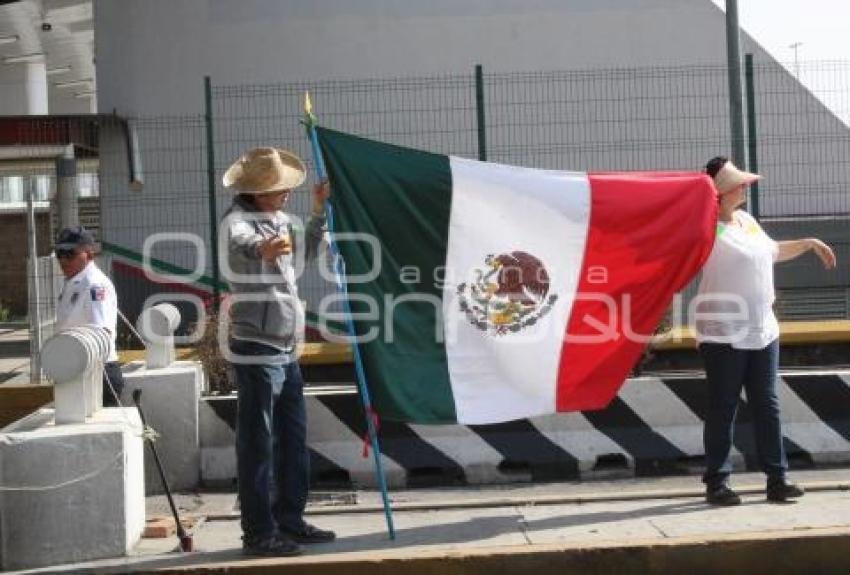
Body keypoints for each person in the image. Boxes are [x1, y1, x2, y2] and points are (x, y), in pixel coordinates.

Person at [696, 157, 836, 505]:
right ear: (721, 191)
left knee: (767, 405)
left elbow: (772, 252)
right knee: (723, 407)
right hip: (723, 332)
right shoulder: (705, 227)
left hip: (763, 331)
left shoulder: (746, 221)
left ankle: (777, 478)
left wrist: (808, 243)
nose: (746, 187)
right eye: (739, 184)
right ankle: (717, 482)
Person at [221, 147, 333, 557]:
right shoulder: (236, 223)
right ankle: (258, 531)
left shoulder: (281, 219)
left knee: (292, 436)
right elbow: (247, 245)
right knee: (258, 441)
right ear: (255, 191)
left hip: (286, 346)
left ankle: (289, 519)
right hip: (256, 347)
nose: (286, 193)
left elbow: (302, 251)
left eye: (287, 188)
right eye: (278, 188)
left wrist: (318, 214)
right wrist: (262, 250)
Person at [54, 225, 125, 406]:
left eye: (70, 253)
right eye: (59, 253)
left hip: (97, 374)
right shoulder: (74, 282)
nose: (63, 259)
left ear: (89, 254)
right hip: (77, 371)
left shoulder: (94, 285)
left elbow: (101, 333)